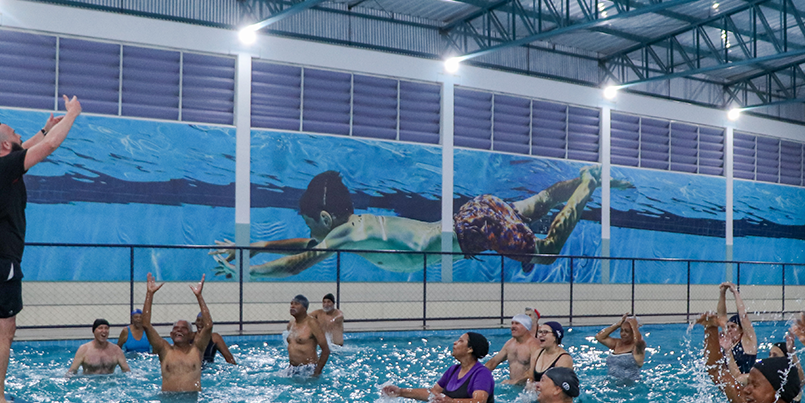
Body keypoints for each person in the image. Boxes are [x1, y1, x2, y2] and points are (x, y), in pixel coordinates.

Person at [212, 166, 601, 277]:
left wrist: (251, 273)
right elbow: (309, 246)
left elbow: (298, 264)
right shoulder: (353, 231)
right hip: (471, 219)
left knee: (547, 252)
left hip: (473, 228)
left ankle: (586, 185)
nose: (310, 231)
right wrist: (255, 247)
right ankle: (582, 179)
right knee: (536, 204)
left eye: (311, 222)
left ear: (326, 217)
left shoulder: (347, 232)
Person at [0, 95, 81, 403]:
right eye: (14, 133)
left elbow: (30, 145)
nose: (19, 135)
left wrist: (45, 127)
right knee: (4, 331)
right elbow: (49, 147)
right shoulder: (4, 167)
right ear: (4, 145)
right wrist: (72, 115)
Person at [382, 332, 496, 403]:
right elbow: (433, 393)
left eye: (460, 341)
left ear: (470, 349)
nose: (455, 343)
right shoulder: (453, 370)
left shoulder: (481, 374)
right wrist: (401, 392)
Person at [141, 273, 213, 393]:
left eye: (184, 328)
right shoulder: (164, 350)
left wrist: (199, 296)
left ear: (191, 335)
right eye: (176, 328)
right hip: (168, 399)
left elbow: (208, 326)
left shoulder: (197, 349)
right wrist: (149, 294)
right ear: (171, 334)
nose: (179, 330)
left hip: (192, 399)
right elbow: (146, 325)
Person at [484, 310, 539, 385]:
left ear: (526, 327)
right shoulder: (510, 344)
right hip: (512, 385)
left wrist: (515, 381)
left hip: (527, 387)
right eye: (512, 323)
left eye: (517, 323)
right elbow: (493, 362)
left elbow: (534, 372)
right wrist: (479, 374)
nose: (512, 327)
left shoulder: (534, 345)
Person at [282, 295, 329, 377]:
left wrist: (316, 372)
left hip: (308, 369)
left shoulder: (312, 323)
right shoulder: (291, 323)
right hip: (292, 369)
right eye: (291, 304)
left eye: (296, 304)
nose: (292, 306)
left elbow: (326, 350)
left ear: (304, 308)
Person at [717, 282, 758, 373]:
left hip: (746, 380)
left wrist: (735, 292)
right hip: (730, 380)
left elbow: (743, 316)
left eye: (733, 326)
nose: (729, 329)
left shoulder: (748, 341)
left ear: (741, 329)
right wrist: (722, 293)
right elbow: (721, 316)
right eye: (728, 327)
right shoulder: (728, 343)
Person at [595, 313, 645, 381]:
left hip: (630, 385)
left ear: (633, 333)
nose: (623, 334)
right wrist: (617, 325)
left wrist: (634, 327)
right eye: (621, 331)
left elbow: (639, 341)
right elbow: (599, 337)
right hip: (612, 384)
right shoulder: (617, 344)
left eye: (627, 331)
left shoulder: (637, 348)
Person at [528, 321, 574, 386]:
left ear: (555, 337)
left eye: (545, 332)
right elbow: (530, 379)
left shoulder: (564, 359)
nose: (540, 335)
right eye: (540, 332)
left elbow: (559, 387)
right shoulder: (537, 353)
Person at [768, 333, 805, 403]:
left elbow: (801, 381)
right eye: (770, 355)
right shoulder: (765, 379)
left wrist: (792, 353)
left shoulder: (790, 384)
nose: (770, 358)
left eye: (775, 355)